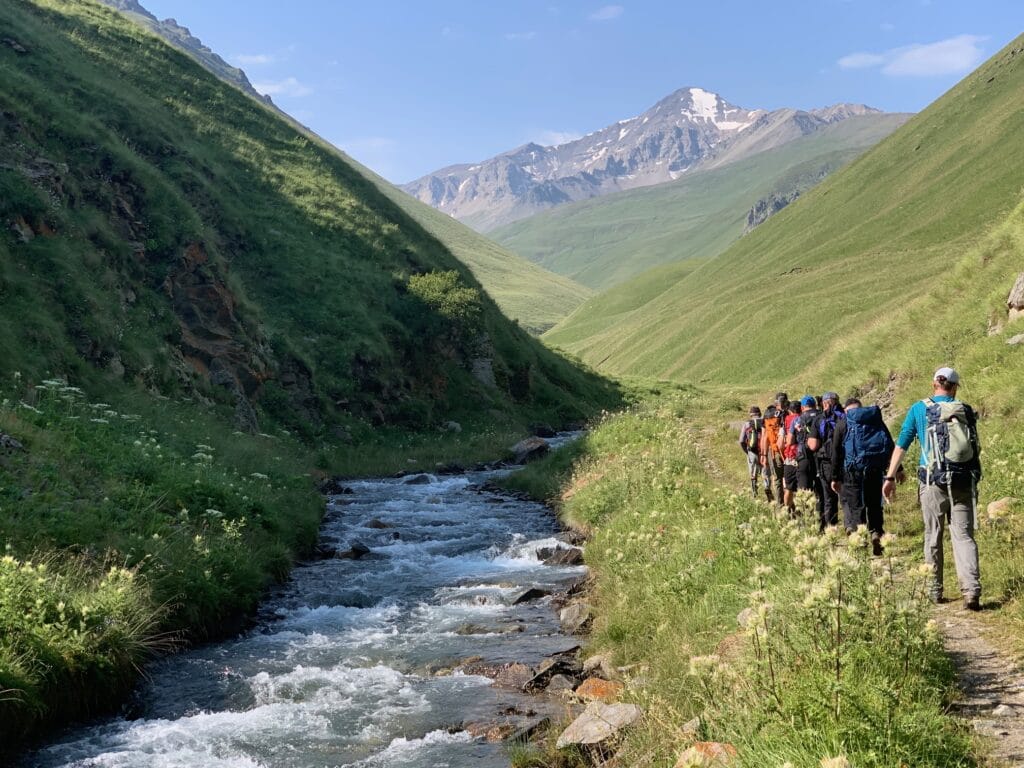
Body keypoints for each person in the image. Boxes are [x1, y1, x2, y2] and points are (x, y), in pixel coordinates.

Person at [883, 367, 982, 610]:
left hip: (932, 480)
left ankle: (934, 590)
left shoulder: (919, 409)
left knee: (933, 533)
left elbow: (902, 442)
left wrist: (890, 476)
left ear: (933, 384)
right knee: (964, 535)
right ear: (955, 387)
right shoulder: (964, 410)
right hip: (962, 479)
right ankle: (971, 590)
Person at [831, 397, 894, 555]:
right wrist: (896, 469)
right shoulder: (874, 419)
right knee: (874, 503)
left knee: (856, 506)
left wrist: (835, 477)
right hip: (874, 468)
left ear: (846, 410)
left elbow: (836, 452)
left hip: (852, 471)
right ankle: (877, 533)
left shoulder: (843, 423)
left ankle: (861, 539)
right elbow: (889, 444)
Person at [789, 395, 825, 528]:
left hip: (803, 457)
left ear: (803, 407)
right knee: (821, 491)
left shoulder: (798, 419)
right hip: (821, 457)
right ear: (815, 405)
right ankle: (822, 522)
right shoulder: (822, 417)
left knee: (804, 490)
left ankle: (805, 523)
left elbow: (790, 441)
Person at [810, 392, 843, 529]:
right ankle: (853, 528)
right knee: (849, 497)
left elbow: (813, 445)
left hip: (826, 463)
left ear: (824, 403)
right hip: (845, 460)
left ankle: (831, 529)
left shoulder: (818, 420)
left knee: (829, 497)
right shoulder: (846, 417)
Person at [738, 406, 766, 499]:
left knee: (753, 472)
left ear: (751, 414)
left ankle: (754, 493)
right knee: (765, 472)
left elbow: (741, 440)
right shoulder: (764, 422)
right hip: (763, 451)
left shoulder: (747, 424)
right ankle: (767, 490)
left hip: (751, 452)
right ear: (759, 413)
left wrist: (747, 451)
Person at [760, 404, 785, 504]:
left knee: (777, 479)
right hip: (786, 449)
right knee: (787, 478)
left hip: (774, 452)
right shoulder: (783, 415)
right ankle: (792, 503)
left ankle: (781, 504)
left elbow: (764, 437)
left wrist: (764, 455)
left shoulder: (766, 417)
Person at [781, 400, 802, 514]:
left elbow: (784, 442)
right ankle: (804, 512)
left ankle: (787, 512)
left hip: (790, 458)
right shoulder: (805, 418)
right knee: (803, 488)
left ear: (790, 410)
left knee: (788, 488)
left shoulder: (787, 420)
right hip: (804, 457)